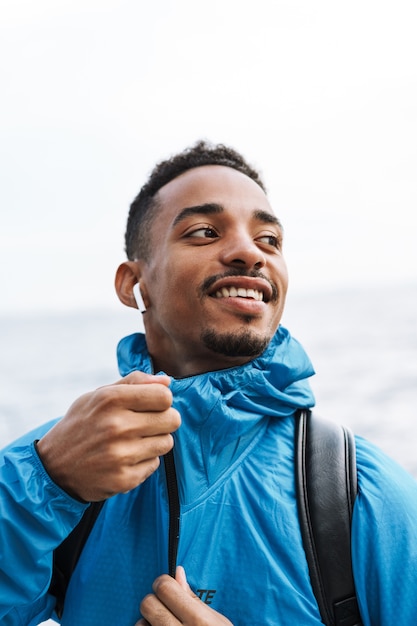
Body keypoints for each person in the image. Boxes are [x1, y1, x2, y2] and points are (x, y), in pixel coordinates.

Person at [1, 141, 417, 626]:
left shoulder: (362, 490)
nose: (249, 253)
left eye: (270, 240)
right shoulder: (54, 468)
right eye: (204, 232)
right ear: (133, 284)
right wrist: (42, 484)